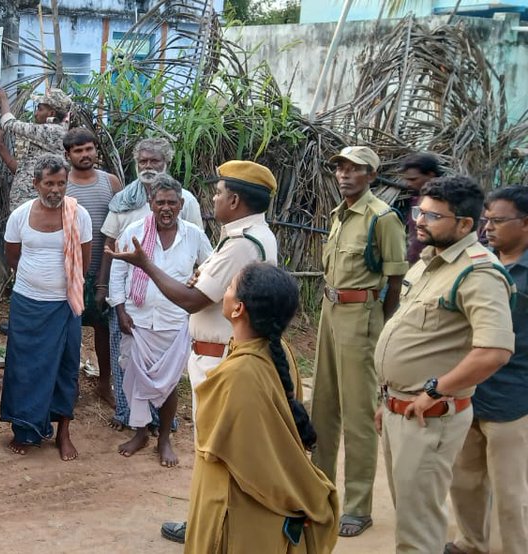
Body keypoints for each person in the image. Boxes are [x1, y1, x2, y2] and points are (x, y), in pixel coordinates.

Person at [107, 160, 278, 543]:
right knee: (220, 449)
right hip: (216, 351)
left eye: (218, 193)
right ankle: (213, 521)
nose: (213, 198)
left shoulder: (240, 245)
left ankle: (208, 528)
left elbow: (190, 299)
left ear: (233, 199)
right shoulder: (249, 236)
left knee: (213, 451)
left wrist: (146, 264)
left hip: (219, 356)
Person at [375, 175, 514, 554]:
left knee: (418, 529)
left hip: (430, 415)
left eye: (433, 216)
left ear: (465, 224)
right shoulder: (427, 262)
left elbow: (495, 350)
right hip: (399, 410)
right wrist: (386, 398)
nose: (420, 220)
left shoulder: (478, 272)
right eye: (420, 211)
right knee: (410, 513)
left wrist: (436, 389)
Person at [186, 263, 339, 553]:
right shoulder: (278, 352)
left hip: (239, 515)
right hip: (264, 517)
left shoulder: (239, 376)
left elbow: (230, 452)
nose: (224, 294)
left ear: (238, 309)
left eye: (229, 289)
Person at [309, 146, 407, 538]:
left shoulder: (381, 219)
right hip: (330, 312)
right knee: (323, 406)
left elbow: (395, 280)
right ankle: (319, 490)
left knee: (359, 414)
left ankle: (357, 506)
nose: (345, 175)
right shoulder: (338, 216)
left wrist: (380, 327)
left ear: (371, 175)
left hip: (362, 317)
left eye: (355, 169)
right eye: (341, 168)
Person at [446, 186, 528, 554]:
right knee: (464, 478)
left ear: (525, 224)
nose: (488, 228)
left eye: (497, 221)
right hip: (469, 388)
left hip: (515, 396)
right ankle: (471, 543)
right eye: (485, 220)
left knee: (512, 490)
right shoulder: (479, 264)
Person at [108, 176, 211, 467]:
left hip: (174, 322)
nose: (166, 208)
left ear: (181, 205)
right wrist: (120, 311)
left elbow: (210, 266)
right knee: (136, 379)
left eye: (172, 203)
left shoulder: (193, 235)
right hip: (137, 320)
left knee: (169, 383)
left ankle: (164, 438)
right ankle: (140, 432)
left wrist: (197, 280)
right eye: (160, 202)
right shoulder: (134, 231)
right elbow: (118, 272)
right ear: (151, 204)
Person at [100, 138, 200, 430]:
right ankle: (129, 419)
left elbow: (198, 252)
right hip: (134, 304)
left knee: (167, 370)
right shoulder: (125, 201)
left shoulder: (188, 203)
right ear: (150, 204)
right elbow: (114, 250)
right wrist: (109, 295)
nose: (148, 166)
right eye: (143, 161)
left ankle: (163, 424)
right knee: (129, 364)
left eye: (154, 161)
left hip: (173, 308)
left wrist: (194, 287)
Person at [1, 154, 91, 460]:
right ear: (35, 183)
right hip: (27, 304)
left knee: (65, 368)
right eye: (49, 183)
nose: (55, 189)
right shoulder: (21, 216)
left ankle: (63, 432)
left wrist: (63, 288)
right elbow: (12, 257)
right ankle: (26, 430)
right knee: (24, 368)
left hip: (65, 306)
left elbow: (84, 261)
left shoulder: (79, 216)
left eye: (61, 183)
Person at [62, 128, 123, 406]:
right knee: (69, 332)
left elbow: (120, 227)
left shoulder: (111, 183)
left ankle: (104, 384)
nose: (85, 155)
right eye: (78, 150)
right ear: (68, 154)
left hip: (104, 269)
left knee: (104, 331)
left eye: (89, 149)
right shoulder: (62, 184)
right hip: (70, 272)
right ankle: (70, 384)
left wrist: (106, 278)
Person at [0, 88, 68, 208]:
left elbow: (9, 123)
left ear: (51, 113)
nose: (36, 114)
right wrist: (0, 145)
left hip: (37, 211)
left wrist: (3, 99)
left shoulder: (53, 131)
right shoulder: (42, 138)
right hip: (23, 208)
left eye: (40, 109)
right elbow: (20, 170)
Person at [397, 152, 442, 264]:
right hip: (414, 263)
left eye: (413, 179)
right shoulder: (415, 199)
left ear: (431, 175)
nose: (408, 184)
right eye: (407, 179)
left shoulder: (444, 204)